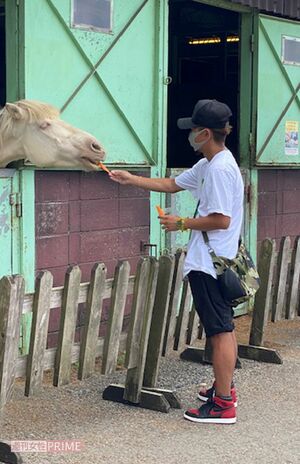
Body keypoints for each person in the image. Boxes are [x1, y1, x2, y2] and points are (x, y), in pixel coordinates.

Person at [109, 99, 244, 424]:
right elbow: (172, 184)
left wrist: (180, 223)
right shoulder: (210, 163)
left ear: (206, 133)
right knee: (222, 327)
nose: (191, 134)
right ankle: (223, 389)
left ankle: (223, 404)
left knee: (220, 330)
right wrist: (132, 179)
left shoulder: (220, 170)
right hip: (215, 259)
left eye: (195, 129)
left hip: (212, 263)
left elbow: (221, 219)